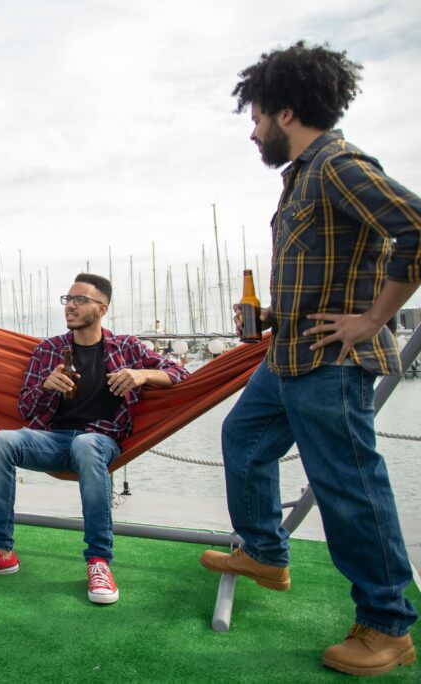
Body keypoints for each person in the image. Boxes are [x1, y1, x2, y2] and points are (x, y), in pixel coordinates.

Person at [199, 42, 420, 677]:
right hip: (288, 351)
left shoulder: (336, 165)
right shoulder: (301, 178)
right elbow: (323, 268)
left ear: (287, 110)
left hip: (331, 362)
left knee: (349, 489)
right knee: (243, 437)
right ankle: (266, 552)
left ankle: (386, 626)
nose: (253, 130)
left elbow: (416, 227)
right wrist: (270, 314)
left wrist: (374, 319)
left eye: (258, 115)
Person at [0, 274, 189, 604]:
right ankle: (1, 551)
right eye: (68, 299)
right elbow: (25, 408)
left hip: (101, 442)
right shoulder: (49, 350)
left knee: (86, 443)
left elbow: (181, 373)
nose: (70, 306)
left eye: (80, 300)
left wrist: (142, 374)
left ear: (102, 308)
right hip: (54, 441)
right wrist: (46, 386)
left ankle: (99, 562)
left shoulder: (127, 348)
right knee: (3, 440)